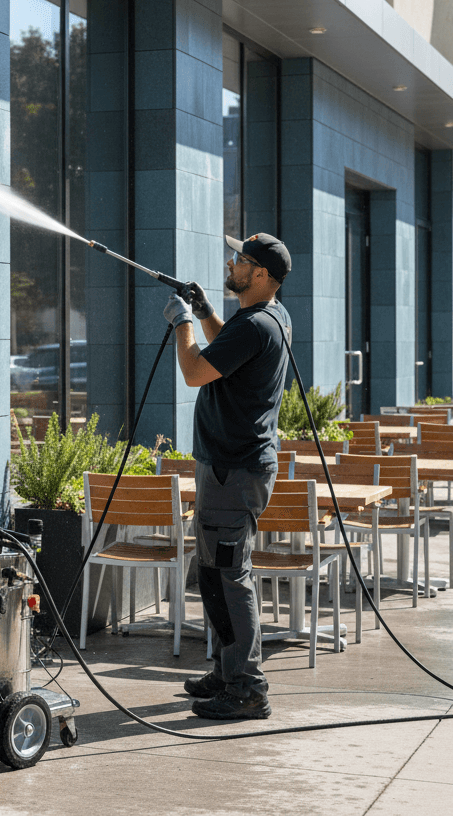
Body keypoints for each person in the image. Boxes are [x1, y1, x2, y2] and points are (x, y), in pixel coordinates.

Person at [162, 232, 293, 720]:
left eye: (240, 259)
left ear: (260, 274)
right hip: (229, 467)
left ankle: (247, 686)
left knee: (230, 576)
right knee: (215, 573)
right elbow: (228, 349)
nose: (231, 262)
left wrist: (182, 325)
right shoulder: (263, 318)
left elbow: (196, 371)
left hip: (234, 470)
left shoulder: (258, 323)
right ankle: (226, 669)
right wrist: (205, 314)